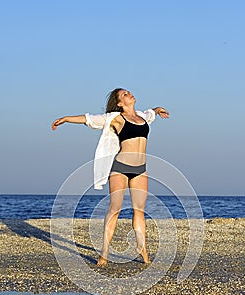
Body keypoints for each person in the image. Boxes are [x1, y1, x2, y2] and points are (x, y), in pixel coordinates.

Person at [52, 88, 169, 266]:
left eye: (128, 92)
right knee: (115, 208)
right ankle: (104, 252)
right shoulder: (114, 118)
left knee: (139, 210)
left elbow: (151, 113)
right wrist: (66, 119)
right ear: (120, 103)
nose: (129, 94)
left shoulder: (142, 116)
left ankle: (142, 249)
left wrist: (158, 109)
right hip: (120, 167)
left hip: (140, 169)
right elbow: (89, 119)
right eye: (124, 94)